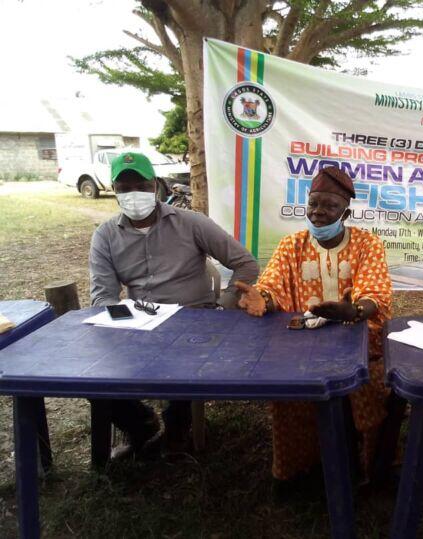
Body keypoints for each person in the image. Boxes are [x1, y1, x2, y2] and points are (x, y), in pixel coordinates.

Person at [89, 151, 259, 459]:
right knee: (92, 375)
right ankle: (140, 424)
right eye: (124, 188)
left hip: (195, 319)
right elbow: (102, 296)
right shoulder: (105, 236)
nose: (133, 194)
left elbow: (245, 264)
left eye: (139, 185)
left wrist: (224, 304)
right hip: (139, 323)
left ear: (155, 185)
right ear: (114, 191)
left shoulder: (191, 223)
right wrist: (120, 323)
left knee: (185, 359)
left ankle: (176, 428)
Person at [236, 166, 393, 484]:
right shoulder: (291, 245)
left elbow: (375, 295)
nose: (319, 213)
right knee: (289, 391)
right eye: (313, 205)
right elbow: (272, 286)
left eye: (329, 206)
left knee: (368, 387)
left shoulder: (367, 244)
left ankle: (362, 469)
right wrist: (263, 300)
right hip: (300, 347)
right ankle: (300, 470)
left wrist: (353, 310)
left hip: (359, 345)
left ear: (345, 212)